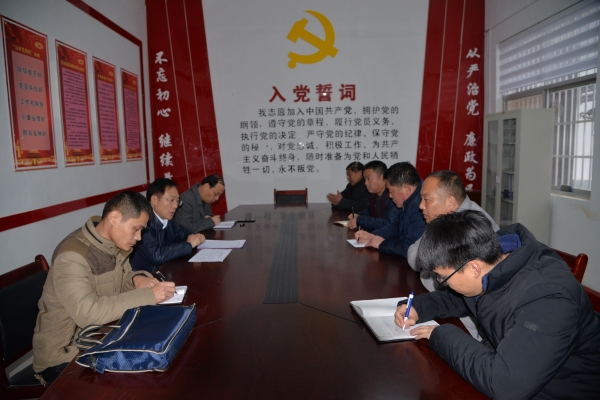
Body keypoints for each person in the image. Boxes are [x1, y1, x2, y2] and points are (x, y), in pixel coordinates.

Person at [395, 210, 600, 400]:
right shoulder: (492, 258)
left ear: (473, 268)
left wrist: (440, 335)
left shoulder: (549, 298)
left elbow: (506, 385)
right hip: (515, 368)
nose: (443, 283)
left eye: (442, 277)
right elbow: (461, 296)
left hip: (558, 388)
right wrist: (418, 307)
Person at [32, 191, 176, 384]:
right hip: (64, 356)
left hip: (99, 336)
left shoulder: (112, 243)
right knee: (140, 381)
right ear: (114, 218)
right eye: (136, 229)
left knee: (161, 353)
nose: (139, 237)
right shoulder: (72, 256)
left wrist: (136, 279)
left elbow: (118, 282)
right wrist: (149, 296)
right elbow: (89, 313)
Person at [130, 178, 205, 272]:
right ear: (154, 200)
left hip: (167, 271)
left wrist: (196, 237)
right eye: (171, 200)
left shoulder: (169, 221)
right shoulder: (143, 225)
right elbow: (156, 255)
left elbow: (184, 234)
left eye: (177, 201)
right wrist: (188, 245)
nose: (175, 206)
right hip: (147, 276)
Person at [354, 162, 425, 258]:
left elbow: (411, 249)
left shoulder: (420, 206)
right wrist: (374, 236)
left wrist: (382, 244)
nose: (390, 196)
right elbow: (396, 227)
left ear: (407, 189)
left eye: (391, 191)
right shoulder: (407, 200)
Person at [347, 161, 398, 231]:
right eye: (365, 179)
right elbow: (370, 211)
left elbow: (388, 224)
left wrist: (360, 220)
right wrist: (358, 215)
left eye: (369, 178)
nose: (365, 183)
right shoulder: (374, 195)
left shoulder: (392, 197)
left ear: (382, 177)